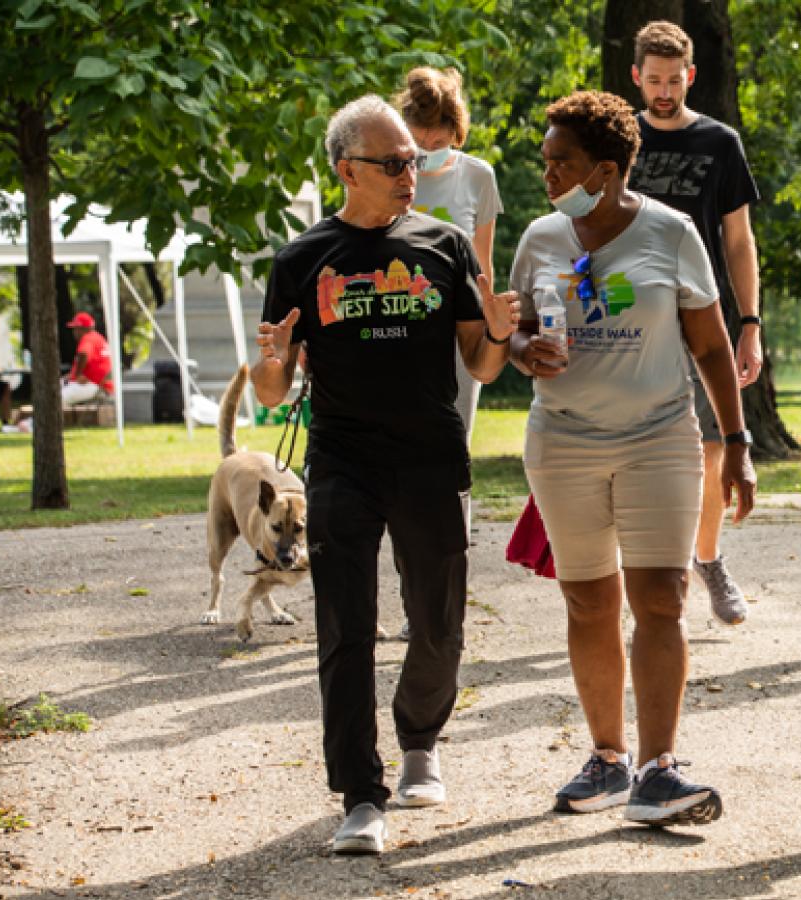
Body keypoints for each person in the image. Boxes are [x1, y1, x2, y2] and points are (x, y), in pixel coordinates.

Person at [251, 95, 519, 855]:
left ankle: (421, 743)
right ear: (347, 170)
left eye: (416, 161)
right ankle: (359, 794)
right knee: (345, 626)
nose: (412, 174)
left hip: (432, 457)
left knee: (438, 619)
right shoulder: (303, 259)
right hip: (343, 461)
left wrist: (498, 333)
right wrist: (270, 366)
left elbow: (482, 364)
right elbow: (274, 391)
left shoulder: (445, 244)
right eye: (395, 163)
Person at [508, 90, 756, 826]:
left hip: (658, 438)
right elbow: (512, 334)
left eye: (563, 162)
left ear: (609, 169)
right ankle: (608, 758)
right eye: (546, 160)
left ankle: (658, 769)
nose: (548, 175)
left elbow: (711, 346)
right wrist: (527, 351)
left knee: (660, 599)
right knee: (588, 601)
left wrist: (737, 444)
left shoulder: (672, 233)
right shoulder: (540, 239)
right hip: (564, 440)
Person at [625, 20, 761, 625]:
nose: (663, 89)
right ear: (636, 76)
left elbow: (738, 239)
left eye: (673, 79)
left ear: (691, 76)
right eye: (652, 79)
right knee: (634, 450)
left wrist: (750, 322)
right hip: (631, 317)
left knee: (710, 448)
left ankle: (706, 558)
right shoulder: (620, 139)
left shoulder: (719, 142)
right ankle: (648, 572)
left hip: (702, 314)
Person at [392, 66, 506, 640]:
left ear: (456, 132)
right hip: (398, 340)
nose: (429, 150)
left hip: (459, 341)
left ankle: (447, 588)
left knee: (451, 459)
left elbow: (480, 266)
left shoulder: (479, 178)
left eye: (440, 139)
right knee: (400, 461)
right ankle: (412, 590)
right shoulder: (391, 177)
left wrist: (491, 331)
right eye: (420, 139)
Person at [62, 311, 114, 406]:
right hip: (98, 384)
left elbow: (83, 354)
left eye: (76, 329)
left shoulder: (88, 339)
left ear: (82, 329)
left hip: (92, 385)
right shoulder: (99, 338)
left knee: (55, 400)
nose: (74, 332)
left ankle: (32, 421)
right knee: (56, 385)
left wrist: (76, 375)